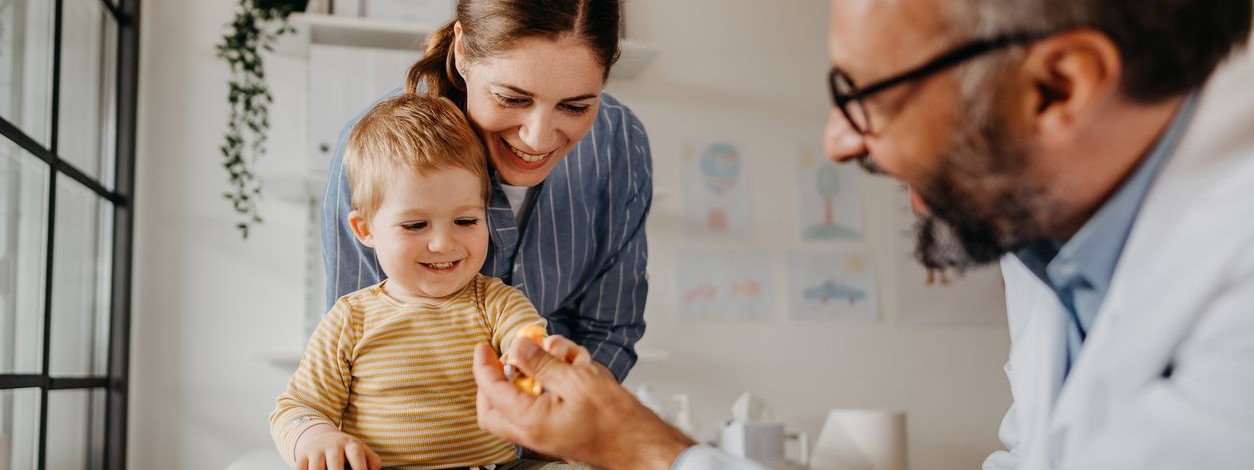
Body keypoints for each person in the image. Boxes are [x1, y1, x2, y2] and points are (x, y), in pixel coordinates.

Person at [470, 0, 1254, 468]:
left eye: (865, 93)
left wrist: (648, 450)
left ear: (1059, 87)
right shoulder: (1052, 251)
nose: (839, 142)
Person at [321, 0, 651, 384]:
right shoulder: (374, 156)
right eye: (512, 99)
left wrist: (551, 423)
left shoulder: (618, 141)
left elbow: (609, 332)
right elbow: (354, 348)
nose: (538, 138)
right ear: (462, 52)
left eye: (575, 107)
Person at [272, 94, 587, 470]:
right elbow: (297, 407)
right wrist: (316, 437)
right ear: (365, 228)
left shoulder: (495, 303)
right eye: (416, 225)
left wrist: (534, 362)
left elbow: (528, 340)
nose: (443, 244)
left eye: (466, 221)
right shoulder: (350, 318)